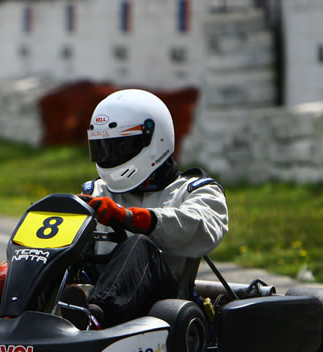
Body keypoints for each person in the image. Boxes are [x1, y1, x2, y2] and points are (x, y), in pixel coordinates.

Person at [65, 88, 229, 329]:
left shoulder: (196, 190)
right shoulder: (96, 191)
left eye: (118, 147)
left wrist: (131, 217)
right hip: (95, 290)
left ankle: (95, 319)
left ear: (153, 141)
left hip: (161, 302)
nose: (110, 157)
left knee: (139, 245)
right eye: (103, 148)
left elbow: (199, 228)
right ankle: (7, 301)